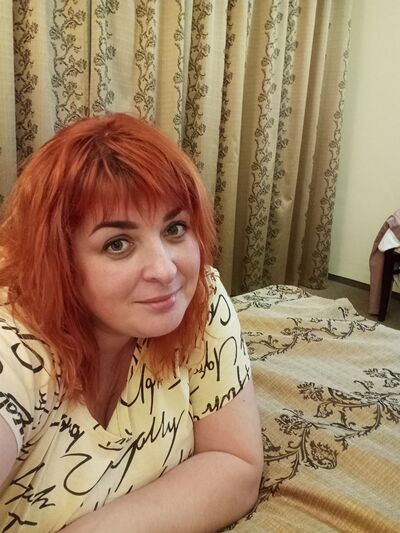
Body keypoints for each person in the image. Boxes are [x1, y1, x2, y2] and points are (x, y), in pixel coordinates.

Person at [0, 113, 263, 532]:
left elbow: (235, 462)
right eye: (117, 244)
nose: (165, 270)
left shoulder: (200, 296)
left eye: (175, 228)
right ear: (58, 259)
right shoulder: (14, 343)